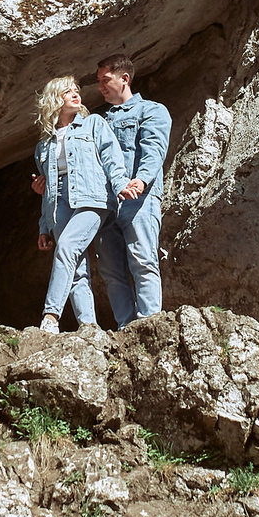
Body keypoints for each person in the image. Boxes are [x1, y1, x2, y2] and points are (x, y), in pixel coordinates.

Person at [32, 74, 129, 333]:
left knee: (66, 247)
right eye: (68, 92)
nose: (76, 94)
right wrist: (43, 226)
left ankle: (51, 316)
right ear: (55, 99)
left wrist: (120, 185)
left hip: (91, 197)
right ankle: (89, 326)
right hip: (58, 203)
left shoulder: (93, 124)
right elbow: (47, 189)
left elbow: (112, 157)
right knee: (75, 268)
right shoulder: (43, 145)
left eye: (77, 90)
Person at [93, 53, 170, 324]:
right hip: (106, 204)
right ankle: (126, 328)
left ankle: (149, 323)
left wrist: (142, 179)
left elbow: (155, 149)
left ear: (124, 78)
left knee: (143, 261)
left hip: (139, 200)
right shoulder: (97, 121)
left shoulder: (152, 110)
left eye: (106, 80)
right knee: (111, 271)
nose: (100, 86)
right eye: (99, 81)